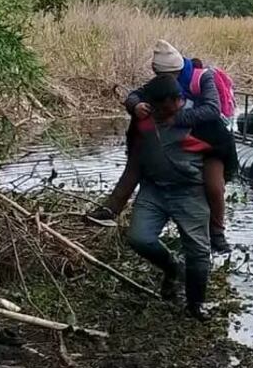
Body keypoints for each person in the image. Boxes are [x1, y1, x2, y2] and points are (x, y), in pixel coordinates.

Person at [87, 40, 236, 254]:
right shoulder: (161, 85)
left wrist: (175, 118)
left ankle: (217, 232)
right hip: (174, 140)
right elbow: (135, 95)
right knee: (135, 168)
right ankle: (110, 210)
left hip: (209, 139)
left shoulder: (202, 78)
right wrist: (135, 105)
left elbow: (212, 109)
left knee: (214, 186)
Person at [126, 74, 212, 318]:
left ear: (176, 101)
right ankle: (172, 266)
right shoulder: (145, 122)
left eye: (160, 107)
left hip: (189, 191)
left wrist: (216, 216)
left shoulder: (199, 120)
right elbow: (133, 164)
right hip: (154, 188)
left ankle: (196, 304)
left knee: (198, 251)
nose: (155, 111)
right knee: (138, 238)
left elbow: (218, 161)